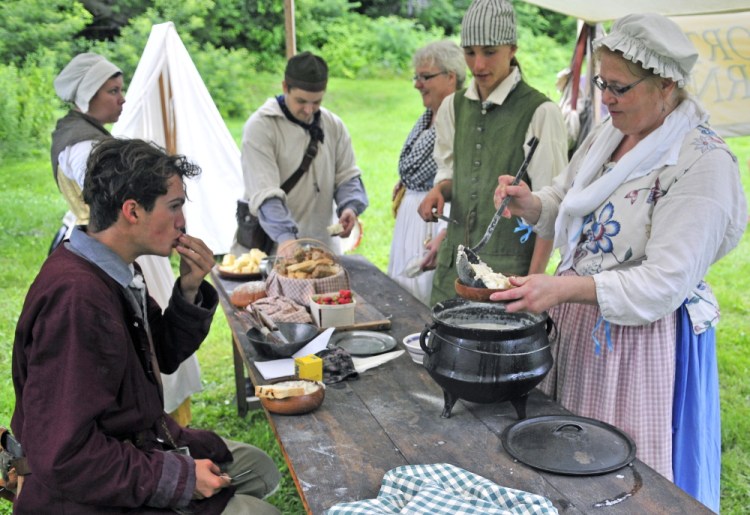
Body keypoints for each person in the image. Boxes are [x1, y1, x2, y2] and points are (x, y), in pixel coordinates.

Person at [489, 14, 747, 512]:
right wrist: (531, 204)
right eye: (602, 83)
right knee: (565, 465)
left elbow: (665, 282)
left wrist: (564, 288)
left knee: (618, 484)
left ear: (667, 84)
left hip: (639, 342)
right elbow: (569, 196)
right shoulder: (612, 132)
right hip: (581, 324)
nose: (605, 98)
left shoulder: (702, 163)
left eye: (619, 88)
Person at [11, 138, 281, 514]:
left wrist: (188, 289)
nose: (182, 221)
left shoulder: (118, 268)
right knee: (260, 512)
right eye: (174, 207)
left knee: (259, 469)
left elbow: (163, 354)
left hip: (138, 444)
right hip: (82, 496)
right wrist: (179, 477)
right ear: (132, 211)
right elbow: (64, 455)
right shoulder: (76, 300)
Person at [51, 52, 202, 426]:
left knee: (150, 342)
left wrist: (189, 289)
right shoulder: (81, 145)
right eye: (112, 91)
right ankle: (157, 425)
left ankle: (162, 426)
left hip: (119, 245)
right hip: (107, 248)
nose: (121, 98)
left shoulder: (86, 134)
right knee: (131, 349)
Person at [418, 0, 568, 305]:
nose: (478, 66)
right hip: (452, 275)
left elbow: (553, 209)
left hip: (508, 279)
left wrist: (532, 284)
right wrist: (439, 190)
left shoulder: (540, 112)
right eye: (470, 52)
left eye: (490, 52)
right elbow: (450, 173)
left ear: (512, 49)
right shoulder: (453, 106)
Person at [238, 51, 369, 255]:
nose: (309, 110)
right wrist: (286, 238)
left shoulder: (333, 125)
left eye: (316, 102)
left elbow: (347, 176)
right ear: (284, 88)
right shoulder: (261, 127)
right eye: (301, 101)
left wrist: (349, 207)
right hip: (272, 247)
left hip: (322, 244)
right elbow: (265, 194)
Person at [387, 40, 466, 305]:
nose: (417, 84)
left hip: (435, 222)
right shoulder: (429, 116)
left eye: (425, 77)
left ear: (451, 77)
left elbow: (463, 173)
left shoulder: (460, 116)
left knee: (424, 297)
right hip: (413, 219)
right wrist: (407, 181)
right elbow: (421, 163)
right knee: (403, 293)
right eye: (416, 77)